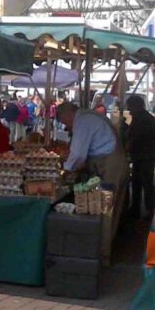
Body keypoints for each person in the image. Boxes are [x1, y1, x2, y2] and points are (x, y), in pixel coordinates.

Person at [57, 101, 129, 257]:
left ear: (68, 115)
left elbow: (78, 155)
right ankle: (104, 251)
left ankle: (100, 255)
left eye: (64, 122)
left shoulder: (82, 122)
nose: (67, 127)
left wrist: (64, 173)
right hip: (113, 163)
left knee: (104, 209)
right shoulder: (90, 116)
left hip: (110, 167)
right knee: (109, 210)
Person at [125, 94, 155, 221]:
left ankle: (150, 211)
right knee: (138, 183)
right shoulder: (140, 117)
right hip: (142, 155)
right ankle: (137, 209)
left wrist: (128, 147)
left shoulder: (143, 119)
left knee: (145, 183)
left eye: (130, 107)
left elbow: (136, 138)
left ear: (136, 106)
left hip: (145, 156)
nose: (128, 110)